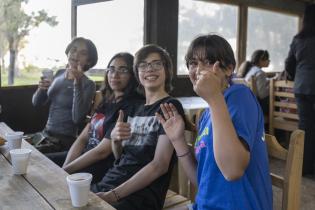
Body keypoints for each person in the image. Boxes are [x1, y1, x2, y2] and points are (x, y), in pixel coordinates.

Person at [156, 34, 272, 210]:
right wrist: (177, 140)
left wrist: (215, 97)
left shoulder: (239, 96)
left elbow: (233, 171)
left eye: (209, 62)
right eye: (193, 63)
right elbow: (202, 180)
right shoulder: (206, 114)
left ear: (229, 69)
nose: (199, 70)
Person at [92, 44, 186, 210]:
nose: (149, 69)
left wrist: (113, 195)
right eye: (143, 65)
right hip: (111, 182)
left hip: (140, 196)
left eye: (156, 64)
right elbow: (121, 157)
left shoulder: (169, 106)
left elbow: (160, 165)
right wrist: (116, 140)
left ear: (167, 70)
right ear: (137, 73)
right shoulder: (135, 108)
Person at [48, 52, 143, 184]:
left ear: (133, 75)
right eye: (111, 69)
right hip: (84, 155)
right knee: (41, 162)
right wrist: (66, 166)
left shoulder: (131, 106)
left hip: (101, 165)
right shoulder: (107, 100)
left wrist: (65, 171)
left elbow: (102, 152)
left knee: (54, 180)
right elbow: (82, 138)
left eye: (123, 70)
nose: (115, 75)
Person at [32, 37, 98, 153]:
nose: (76, 55)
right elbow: (36, 103)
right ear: (68, 52)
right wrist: (41, 89)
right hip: (45, 134)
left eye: (83, 53)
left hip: (64, 141)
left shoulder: (88, 84)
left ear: (89, 61)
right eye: (73, 50)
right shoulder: (59, 73)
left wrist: (77, 83)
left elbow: (77, 119)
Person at [285, 4, 315, 176]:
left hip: (301, 87)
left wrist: (295, 76)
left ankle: (304, 168)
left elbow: (289, 63)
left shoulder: (298, 39)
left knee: (304, 127)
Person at [236, 49, 270, 113]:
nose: (269, 61)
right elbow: (263, 95)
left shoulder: (249, 69)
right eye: (267, 59)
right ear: (261, 60)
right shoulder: (260, 73)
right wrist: (271, 87)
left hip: (246, 104)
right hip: (257, 106)